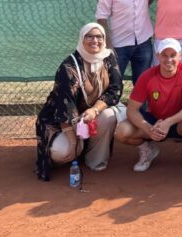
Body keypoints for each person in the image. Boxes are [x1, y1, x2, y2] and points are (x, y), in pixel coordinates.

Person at [35, 23, 122, 180]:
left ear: (104, 39)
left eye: (99, 36)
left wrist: (95, 109)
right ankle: (79, 148)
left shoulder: (109, 58)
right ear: (82, 39)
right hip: (64, 120)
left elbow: (115, 90)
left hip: (92, 113)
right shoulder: (68, 67)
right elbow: (64, 108)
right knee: (61, 152)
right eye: (89, 36)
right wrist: (74, 144)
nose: (94, 40)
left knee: (108, 115)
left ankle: (95, 160)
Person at [114, 38, 182, 172]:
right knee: (122, 132)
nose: (169, 60)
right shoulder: (147, 76)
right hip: (154, 121)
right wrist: (148, 128)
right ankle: (147, 150)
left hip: (178, 121)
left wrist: (168, 122)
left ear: (180, 56)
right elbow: (131, 110)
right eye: (164, 55)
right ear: (157, 56)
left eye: (173, 55)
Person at [95, 0, 153, 84]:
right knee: (113, 84)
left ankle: (142, 107)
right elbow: (101, 17)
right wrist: (108, 45)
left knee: (142, 85)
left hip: (143, 43)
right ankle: (112, 106)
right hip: (118, 45)